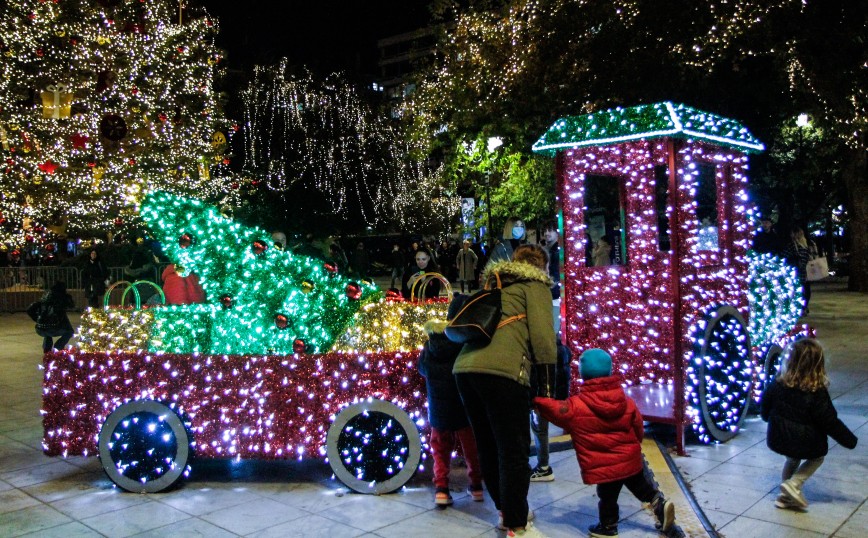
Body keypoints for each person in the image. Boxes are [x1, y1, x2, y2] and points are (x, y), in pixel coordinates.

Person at [453, 243, 556, 537]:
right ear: (542, 267)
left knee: (488, 445)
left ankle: (506, 512)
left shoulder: (494, 283)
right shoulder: (535, 285)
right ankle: (516, 524)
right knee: (514, 450)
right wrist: (547, 388)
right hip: (502, 373)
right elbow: (544, 338)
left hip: (465, 370)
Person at [534, 349, 676, 538]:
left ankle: (608, 527)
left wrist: (536, 400)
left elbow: (556, 410)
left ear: (583, 373)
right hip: (629, 459)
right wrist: (634, 446)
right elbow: (638, 426)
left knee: (607, 497)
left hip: (605, 467)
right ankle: (658, 502)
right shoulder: (625, 400)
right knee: (639, 484)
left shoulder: (576, 405)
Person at [761, 338, 857, 510]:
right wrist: (849, 440)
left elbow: (765, 406)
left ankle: (785, 497)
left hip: (779, 436)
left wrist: (770, 420)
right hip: (805, 441)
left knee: (792, 459)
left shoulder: (778, 382)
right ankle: (794, 484)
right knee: (816, 458)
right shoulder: (816, 392)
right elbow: (829, 421)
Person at [418, 296, 483, 508]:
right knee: (472, 448)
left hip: (439, 408)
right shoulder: (465, 343)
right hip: (463, 406)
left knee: (439, 448)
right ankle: (476, 487)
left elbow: (422, 368)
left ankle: (442, 489)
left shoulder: (430, 344)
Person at [529, 220, 565, 483]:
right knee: (538, 417)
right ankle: (542, 464)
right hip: (544, 362)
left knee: (535, 417)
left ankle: (541, 465)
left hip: (535, 362)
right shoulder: (543, 289)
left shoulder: (538, 291)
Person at [27, 281, 75, 353]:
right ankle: (58, 346)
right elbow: (72, 306)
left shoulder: (45, 296)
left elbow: (30, 309)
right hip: (55, 327)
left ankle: (47, 348)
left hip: (40, 328)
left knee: (47, 332)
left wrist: (37, 319)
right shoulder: (63, 297)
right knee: (70, 332)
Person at [783, 226, 814, 315]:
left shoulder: (796, 245)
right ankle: (803, 307)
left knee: (799, 291)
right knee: (804, 291)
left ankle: (800, 308)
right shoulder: (803, 245)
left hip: (799, 271)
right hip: (802, 272)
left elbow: (784, 255)